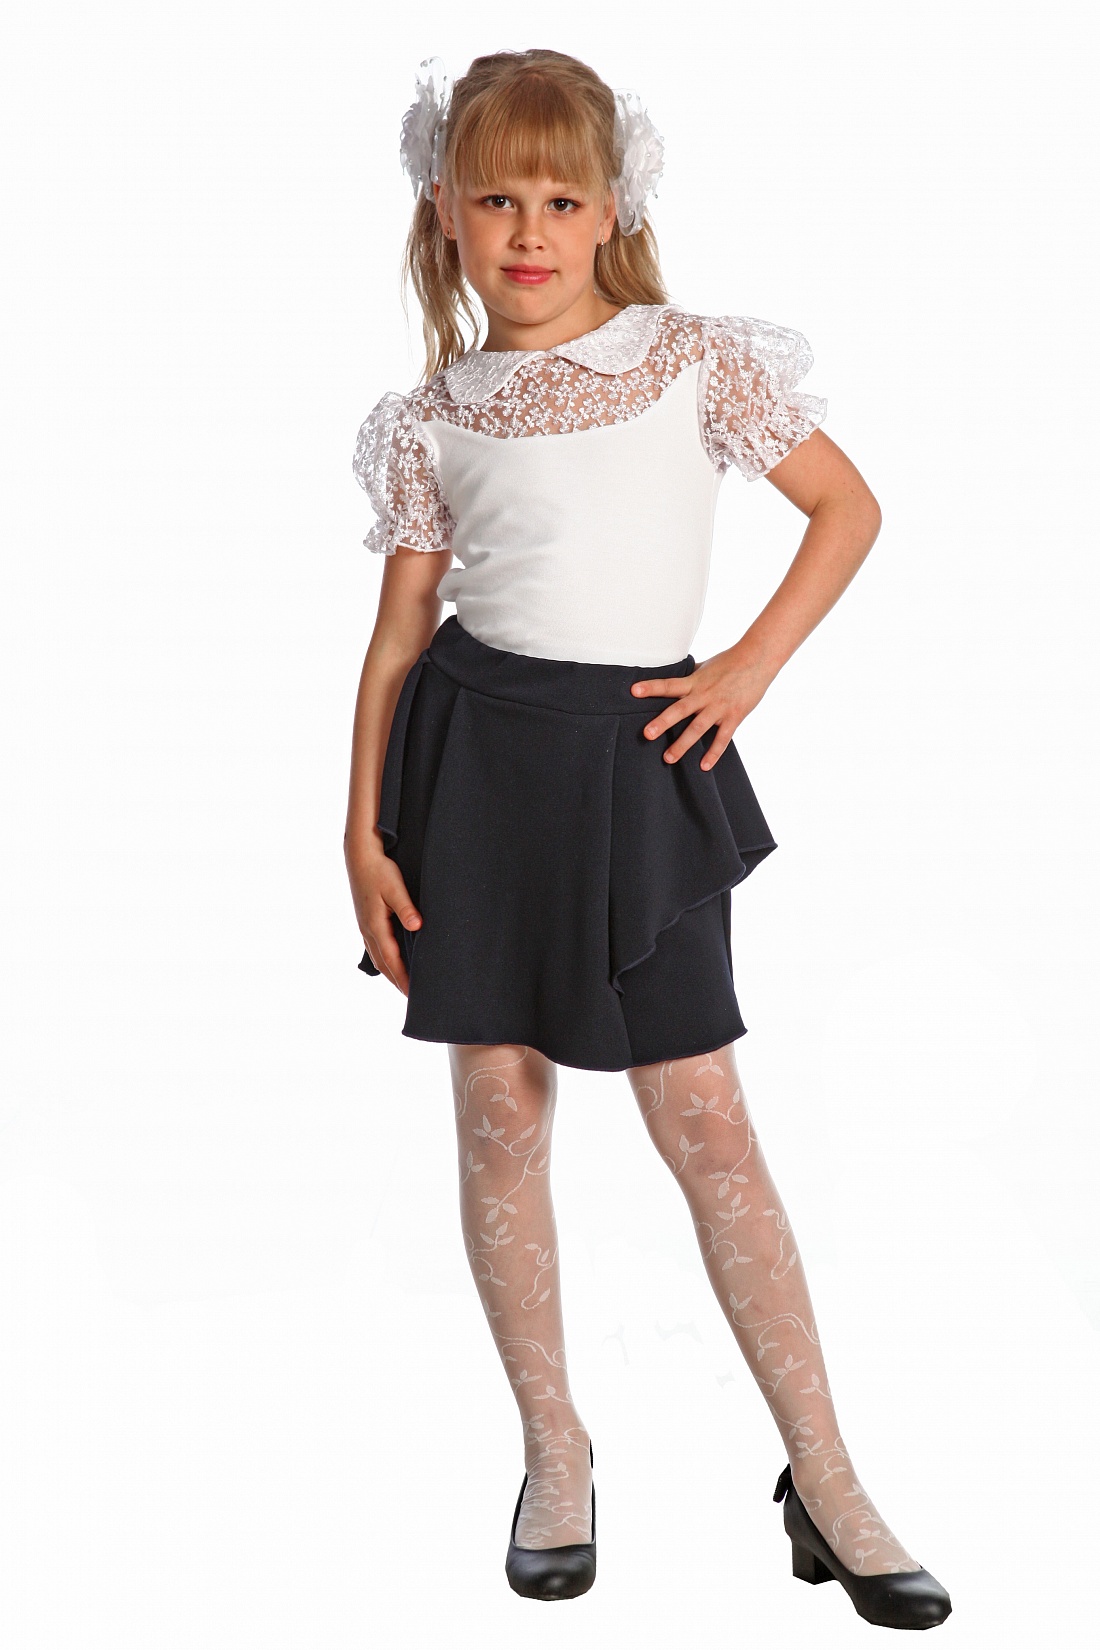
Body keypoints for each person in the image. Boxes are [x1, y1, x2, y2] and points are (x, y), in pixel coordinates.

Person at [343, 48, 952, 1627]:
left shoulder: (690, 360)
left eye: (562, 200)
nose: (530, 232)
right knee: (499, 1109)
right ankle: (555, 1451)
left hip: (638, 767)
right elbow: (400, 637)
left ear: (615, 208)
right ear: (446, 211)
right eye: (498, 199)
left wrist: (746, 666)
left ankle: (827, 1473)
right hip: (473, 771)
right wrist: (360, 831)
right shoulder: (435, 416)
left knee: (708, 1123)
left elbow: (847, 510)